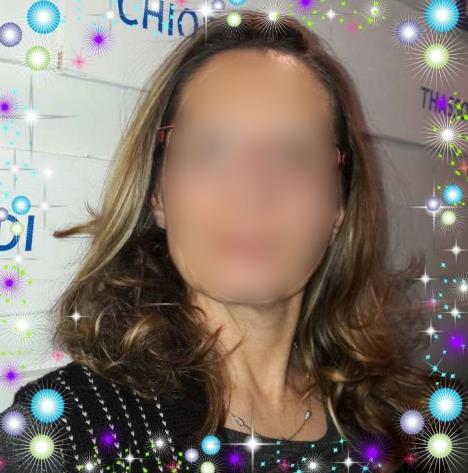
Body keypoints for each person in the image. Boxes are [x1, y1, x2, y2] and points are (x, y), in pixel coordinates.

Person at [0, 8, 460, 473]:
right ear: (158, 197)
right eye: (211, 150)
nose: (250, 189)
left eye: (294, 155)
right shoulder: (67, 432)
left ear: (337, 210)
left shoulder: (423, 426)